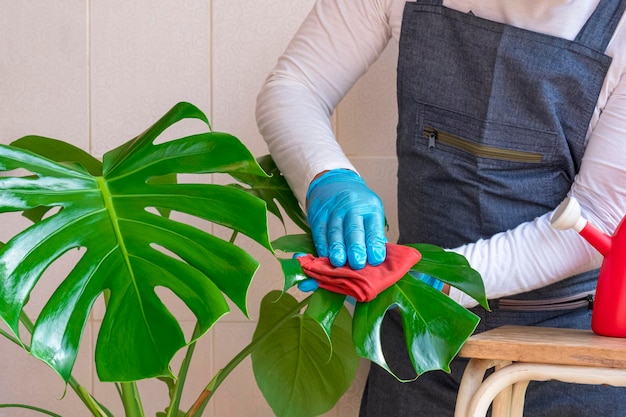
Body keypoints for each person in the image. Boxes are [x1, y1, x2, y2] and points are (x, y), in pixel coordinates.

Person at [256, 0, 626, 415]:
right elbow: (295, 85)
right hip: (414, 347)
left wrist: (431, 279)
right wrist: (327, 176)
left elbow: (596, 223)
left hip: (567, 352)